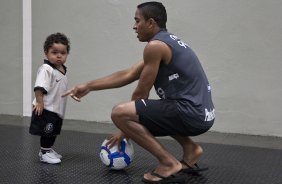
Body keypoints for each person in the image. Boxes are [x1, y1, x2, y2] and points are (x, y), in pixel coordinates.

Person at [64, 1, 215, 183]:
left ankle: (168, 163)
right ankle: (191, 150)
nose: (134, 26)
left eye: (137, 21)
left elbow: (141, 95)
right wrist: (88, 86)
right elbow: (129, 74)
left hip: (191, 113)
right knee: (159, 110)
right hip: (200, 114)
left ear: (150, 23)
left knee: (119, 112)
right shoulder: (165, 42)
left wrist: (124, 128)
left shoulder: (155, 47)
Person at [29, 33, 70, 164]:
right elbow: (39, 87)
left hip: (56, 109)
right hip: (47, 108)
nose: (59, 55)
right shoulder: (46, 69)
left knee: (53, 132)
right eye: (54, 52)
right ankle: (44, 152)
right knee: (47, 131)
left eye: (63, 53)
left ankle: (48, 149)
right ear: (46, 53)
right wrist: (40, 103)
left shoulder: (62, 69)